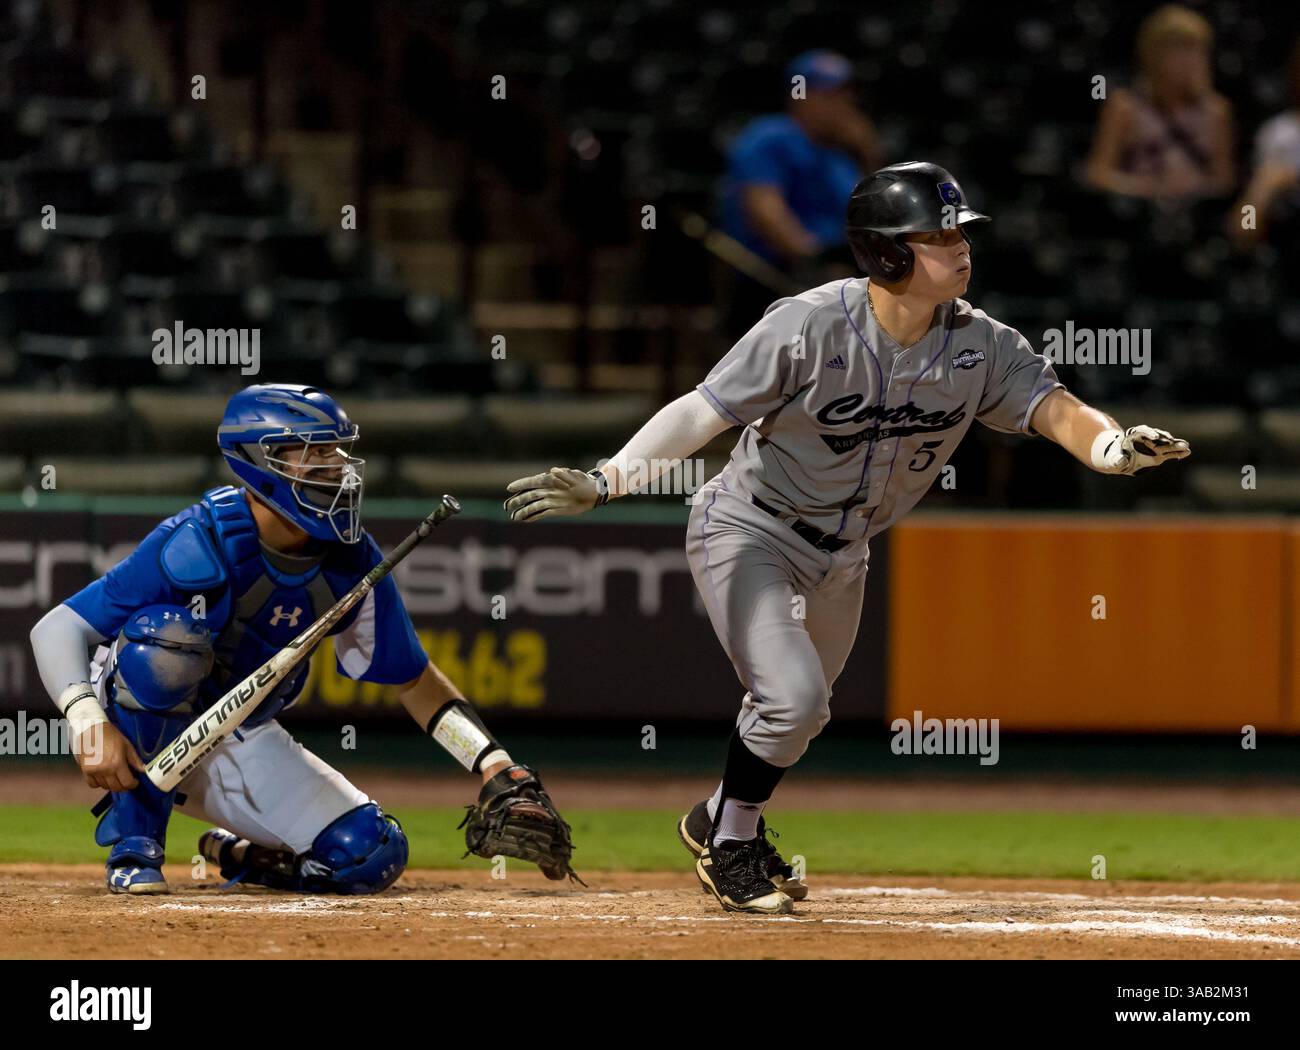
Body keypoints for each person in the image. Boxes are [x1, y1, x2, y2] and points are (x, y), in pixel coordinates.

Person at [504, 162, 1190, 915]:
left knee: (802, 713)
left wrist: (1112, 448)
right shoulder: (807, 324)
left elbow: (1053, 407)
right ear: (887, 252)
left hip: (845, 555)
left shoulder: (981, 343)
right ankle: (731, 847)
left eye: (960, 230)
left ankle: (717, 816)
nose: (960, 246)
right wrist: (610, 481)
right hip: (750, 527)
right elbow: (704, 412)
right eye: (936, 234)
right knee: (792, 700)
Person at [29, 383, 576, 895]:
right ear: (261, 464)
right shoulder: (197, 540)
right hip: (136, 732)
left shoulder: (350, 560)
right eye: (315, 455)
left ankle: (248, 857)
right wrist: (86, 720)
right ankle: (134, 846)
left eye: (338, 454)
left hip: (237, 734)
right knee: (166, 646)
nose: (338, 470)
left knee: (372, 854)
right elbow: (57, 627)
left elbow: (413, 681)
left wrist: (492, 762)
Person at [720, 50, 882, 339]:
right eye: (828, 96)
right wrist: (813, 262)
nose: (843, 105)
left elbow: (874, 209)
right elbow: (764, 208)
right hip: (776, 278)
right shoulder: (771, 135)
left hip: (839, 275)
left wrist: (867, 151)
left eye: (845, 96)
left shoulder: (839, 154)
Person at [1084, 4, 1234, 203]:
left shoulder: (1217, 110)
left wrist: (1192, 190)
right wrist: (1148, 188)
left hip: (1195, 215)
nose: (1189, 60)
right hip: (1139, 211)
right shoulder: (1124, 106)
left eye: (1196, 49)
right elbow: (1097, 175)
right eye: (1178, 49)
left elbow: (1224, 181)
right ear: (1153, 54)